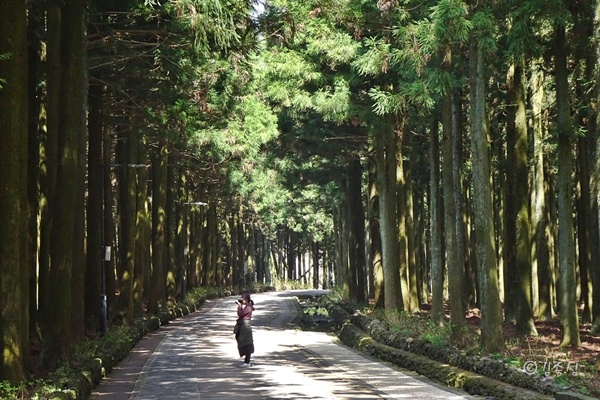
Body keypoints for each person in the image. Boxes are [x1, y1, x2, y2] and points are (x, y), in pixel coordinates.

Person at [234, 292, 255, 367]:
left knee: (246, 343)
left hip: (245, 327)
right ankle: (247, 361)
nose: (242, 301)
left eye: (243, 300)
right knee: (244, 342)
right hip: (243, 326)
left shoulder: (248, 307)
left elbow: (240, 314)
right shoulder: (248, 306)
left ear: (246, 300)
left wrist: (239, 306)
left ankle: (247, 362)